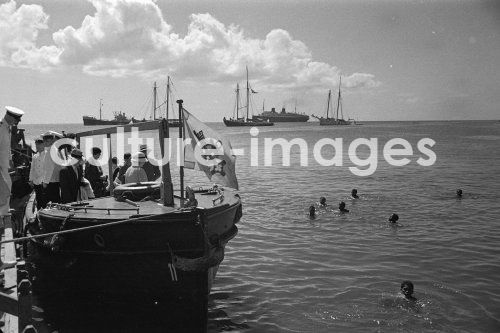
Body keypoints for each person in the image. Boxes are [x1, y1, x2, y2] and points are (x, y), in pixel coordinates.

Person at [0, 106, 24, 270]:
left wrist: (10, 168)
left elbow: (6, 157)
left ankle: (0, 263)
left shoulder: (6, 131)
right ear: (9, 117)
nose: (18, 123)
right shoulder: (1, 130)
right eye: (16, 119)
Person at [41, 131, 64, 206]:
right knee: (56, 200)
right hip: (56, 180)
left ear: (50, 140)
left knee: (51, 202)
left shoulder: (50, 151)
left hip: (51, 182)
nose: (44, 142)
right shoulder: (54, 149)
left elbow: (49, 168)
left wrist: (45, 182)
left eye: (45, 140)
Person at [29, 137, 46, 209]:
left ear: (43, 145)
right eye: (36, 145)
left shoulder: (47, 155)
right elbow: (32, 169)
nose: (37, 147)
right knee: (38, 200)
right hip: (36, 182)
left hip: (44, 182)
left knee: (44, 200)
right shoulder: (35, 156)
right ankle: (38, 215)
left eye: (39, 145)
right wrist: (31, 180)